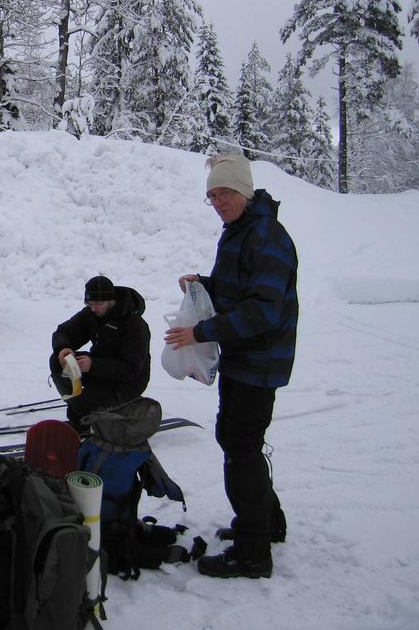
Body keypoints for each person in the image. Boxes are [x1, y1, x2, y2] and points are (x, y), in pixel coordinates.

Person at [164, 154, 298, 579]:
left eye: (224, 193)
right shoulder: (239, 231)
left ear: (243, 192)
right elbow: (236, 288)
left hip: (260, 362)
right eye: (212, 196)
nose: (218, 202)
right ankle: (266, 523)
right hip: (243, 358)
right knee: (239, 441)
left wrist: (201, 334)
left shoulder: (267, 236)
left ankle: (253, 553)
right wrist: (205, 285)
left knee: (240, 448)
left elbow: (263, 310)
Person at [49, 275, 151, 430]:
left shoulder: (135, 325)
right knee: (57, 361)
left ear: (111, 300)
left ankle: (112, 407)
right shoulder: (92, 313)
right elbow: (64, 331)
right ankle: (80, 403)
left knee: (81, 407)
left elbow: (131, 369)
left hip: (127, 381)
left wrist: (93, 365)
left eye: (98, 304)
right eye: (90, 303)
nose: (94, 308)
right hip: (98, 368)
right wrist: (63, 348)